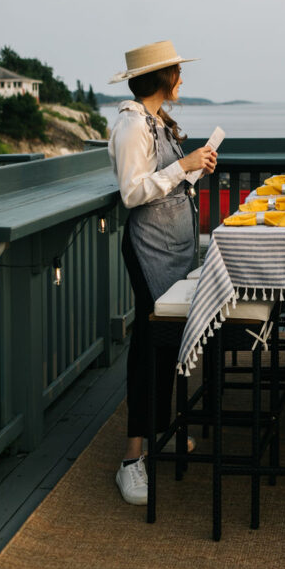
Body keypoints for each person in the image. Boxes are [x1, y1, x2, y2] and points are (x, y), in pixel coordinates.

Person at [107, 40, 217, 505]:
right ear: (162, 79)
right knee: (148, 350)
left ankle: (160, 433)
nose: (181, 80)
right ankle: (132, 460)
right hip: (150, 249)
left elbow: (165, 178)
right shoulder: (132, 126)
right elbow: (133, 193)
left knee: (168, 344)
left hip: (173, 247)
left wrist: (195, 168)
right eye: (177, 72)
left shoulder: (157, 121)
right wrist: (183, 168)